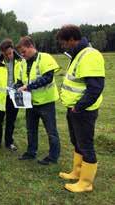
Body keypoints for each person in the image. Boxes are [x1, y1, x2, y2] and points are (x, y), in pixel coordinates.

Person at [56, 24, 105, 192]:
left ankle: (86, 182)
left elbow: (96, 87)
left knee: (86, 144)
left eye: (64, 43)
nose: (63, 46)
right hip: (74, 109)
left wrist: (79, 106)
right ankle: (77, 172)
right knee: (76, 142)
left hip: (84, 110)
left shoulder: (90, 55)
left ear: (72, 39)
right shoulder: (77, 54)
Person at [16, 36, 60, 165]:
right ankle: (31, 152)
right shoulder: (23, 62)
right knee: (31, 129)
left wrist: (29, 87)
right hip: (31, 102)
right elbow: (20, 80)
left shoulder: (45, 57)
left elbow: (48, 78)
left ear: (31, 46)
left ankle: (53, 157)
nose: (22, 55)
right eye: (21, 53)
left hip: (46, 102)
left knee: (51, 131)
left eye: (24, 51)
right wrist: (15, 87)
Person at [0, 38, 23, 151]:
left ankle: (9, 142)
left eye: (10, 53)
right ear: (2, 52)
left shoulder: (21, 61)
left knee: (11, 120)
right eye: (6, 54)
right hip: (0, 97)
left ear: (13, 49)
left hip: (14, 96)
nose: (9, 56)